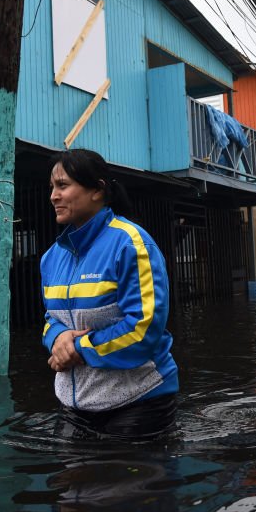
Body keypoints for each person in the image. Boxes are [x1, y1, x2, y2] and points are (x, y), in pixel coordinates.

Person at [40, 149, 178, 440]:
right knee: (73, 483)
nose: (53, 195)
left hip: (139, 402)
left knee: (122, 483)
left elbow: (143, 327)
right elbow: (50, 318)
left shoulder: (130, 244)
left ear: (97, 190)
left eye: (63, 185)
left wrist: (78, 349)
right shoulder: (51, 258)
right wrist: (57, 339)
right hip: (74, 405)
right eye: (52, 187)